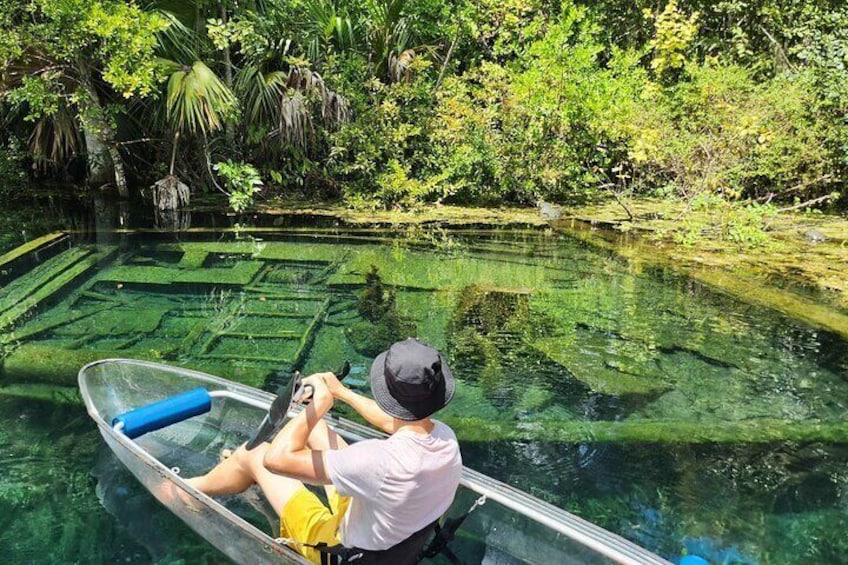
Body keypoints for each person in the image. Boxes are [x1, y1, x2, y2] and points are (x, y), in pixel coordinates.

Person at [186, 338, 463, 564]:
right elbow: (395, 422)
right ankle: (238, 472)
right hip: (391, 535)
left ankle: (188, 490)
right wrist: (339, 391)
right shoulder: (445, 439)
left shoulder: (377, 461)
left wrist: (319, 405)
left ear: (387, 394)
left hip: (340, 550)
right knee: (316, 431)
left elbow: (275, 460)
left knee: (254, 455)